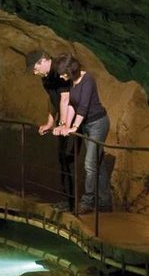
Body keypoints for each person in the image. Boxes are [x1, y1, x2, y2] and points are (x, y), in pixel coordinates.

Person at [54, 54, 112, 214]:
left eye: (62, 73)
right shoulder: (73, 82)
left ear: (70, 71)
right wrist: (66, 125)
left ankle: (87, 202)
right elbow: (72, 104)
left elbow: (84, 106)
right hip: (87, 125)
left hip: (98, 124)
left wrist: (74, 127)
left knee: (89, 164)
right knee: (96, 163)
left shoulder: (88, 80)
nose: (60, 76)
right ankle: (105, 202)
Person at [25, 50, 75, 210]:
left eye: (34, 68)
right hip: (64, 120)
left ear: (42, 61)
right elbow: (53, 100)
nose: (33, 72)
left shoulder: (60, 70)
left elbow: (66, 98)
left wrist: (64, 124)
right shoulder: (46, 78)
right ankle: (68, 199)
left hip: (74, 119)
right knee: (63, 157)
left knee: (68, 156)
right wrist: (50, 123)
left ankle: (72, 202)